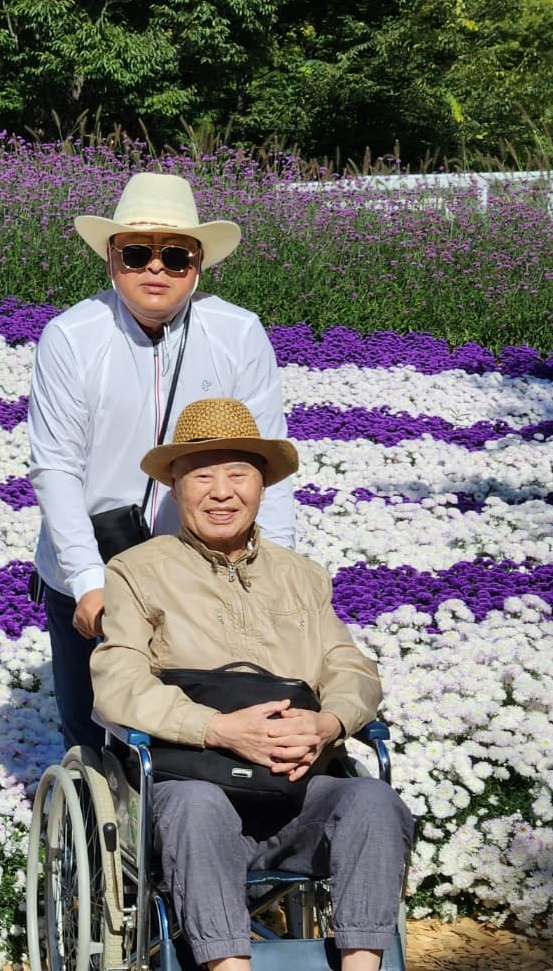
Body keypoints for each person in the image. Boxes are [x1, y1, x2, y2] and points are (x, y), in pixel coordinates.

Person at [91, 396, 413, 971]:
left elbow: (352, 669)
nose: (222, 492)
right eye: (202, 475)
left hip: (297, 794)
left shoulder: (301, 577)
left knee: (372, 799)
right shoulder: (137, 572)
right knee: (196, 805)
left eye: (238, 474)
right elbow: (118, 683)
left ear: (262, 485)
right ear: (174, 487)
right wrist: (218, 729)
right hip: (196, 787)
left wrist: (328, 723)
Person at [28, 171, 294, 751]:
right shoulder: (72, 337)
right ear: (110, 258)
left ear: (198, 265)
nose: (156, 268)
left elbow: (265, 462)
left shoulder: (237, 333)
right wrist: (87, 582)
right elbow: (56, 469)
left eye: (175, 255)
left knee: (199, 733)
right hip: (94, 560)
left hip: (202, 567)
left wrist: (277, 574)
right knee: (95, 732)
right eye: (137, 253)